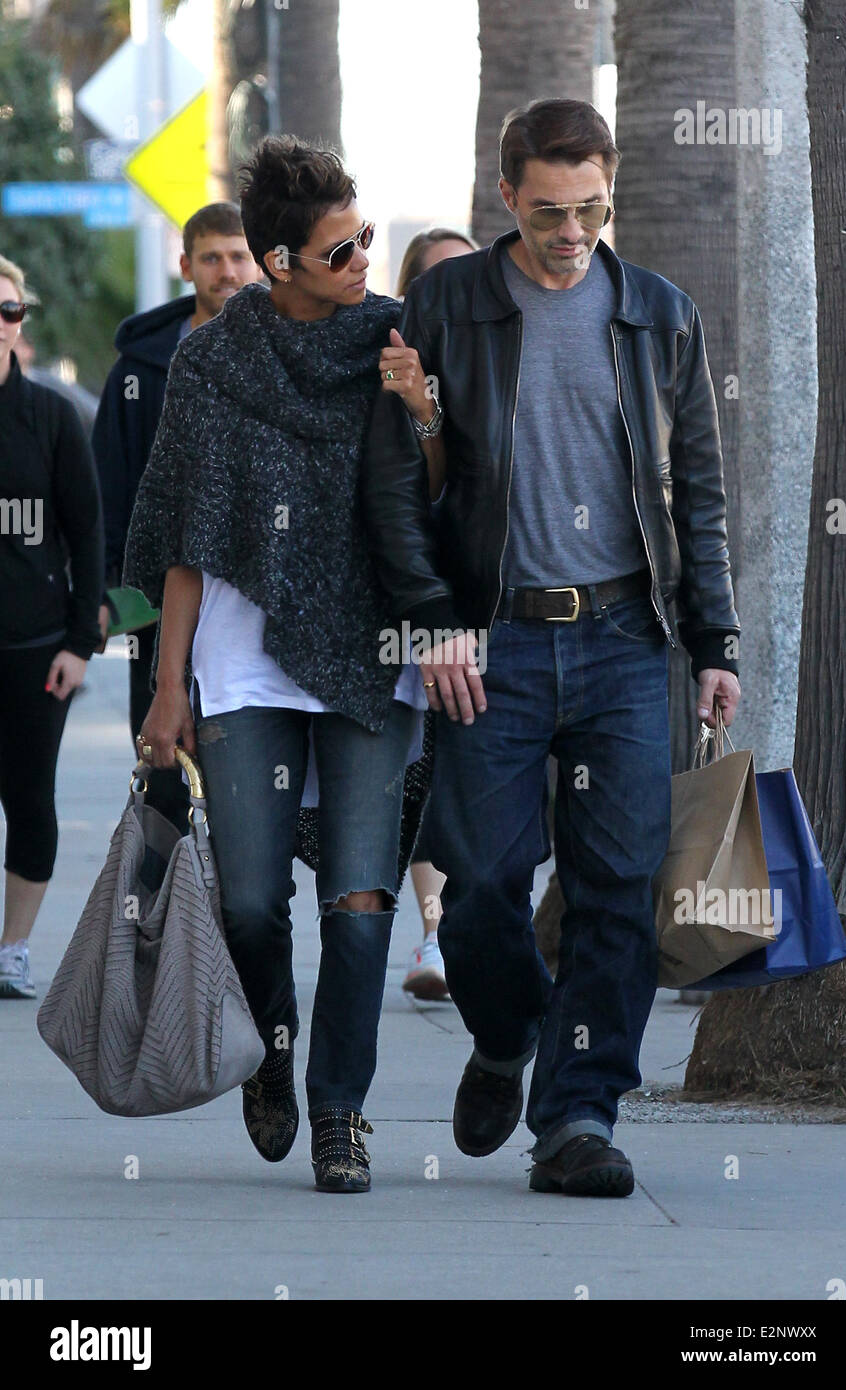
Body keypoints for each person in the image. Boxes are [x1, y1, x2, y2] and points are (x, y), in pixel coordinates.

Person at [363, 98, 741, 1197]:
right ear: (504, 196)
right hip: (491, 638)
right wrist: (434, 616)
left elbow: (696, 494)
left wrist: (711, 635)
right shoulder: (444, 304)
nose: (570, 232)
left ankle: (576, 1114)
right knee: (479, 882)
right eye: (547, 211)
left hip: (627, 639)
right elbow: (396, 483)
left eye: (590, 209)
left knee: (616, 886)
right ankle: (505, 1032)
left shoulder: (656, 314)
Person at [123, 137, 438, 1194]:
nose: (362, 258)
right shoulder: (214, 361)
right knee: (251, 900)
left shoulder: (394, 334)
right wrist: (167, 686)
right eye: (340, 247)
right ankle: (270, 1045)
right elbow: (182, 530)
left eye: (367, 238)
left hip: (370, 654)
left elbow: (446, 493)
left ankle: (339, 1113)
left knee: (360, 898)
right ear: (278, 262)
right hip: (244, 663)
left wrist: (421, 410)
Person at [91, 202, 262, 831]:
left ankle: (234, 915)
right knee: (166, 769)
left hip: (256, 602)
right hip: (159, 600)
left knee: (251, 789)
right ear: (186, 264)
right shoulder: (140, 371)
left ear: (263, 261)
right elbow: (108, 484)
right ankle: (170, 917)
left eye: (239, 255)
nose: (227, 270)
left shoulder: (290, 352)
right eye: (212, 257)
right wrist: (113, 592)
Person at [0, 255, 104, 998]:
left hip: (35, 646)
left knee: (29, 797)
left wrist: (79, 642)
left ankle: (12, 948)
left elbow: (87, 530)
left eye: (10, 309)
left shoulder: (50, 415)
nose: (1, 322)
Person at [389, 228, 478, 1002]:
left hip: (497, 597)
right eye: (436, 279)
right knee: (426, 762)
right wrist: (420, 407)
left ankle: (469, 928)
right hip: (420, 597)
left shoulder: (503, 352)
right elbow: (417, 493)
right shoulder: (392, 368)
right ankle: (434, 931)